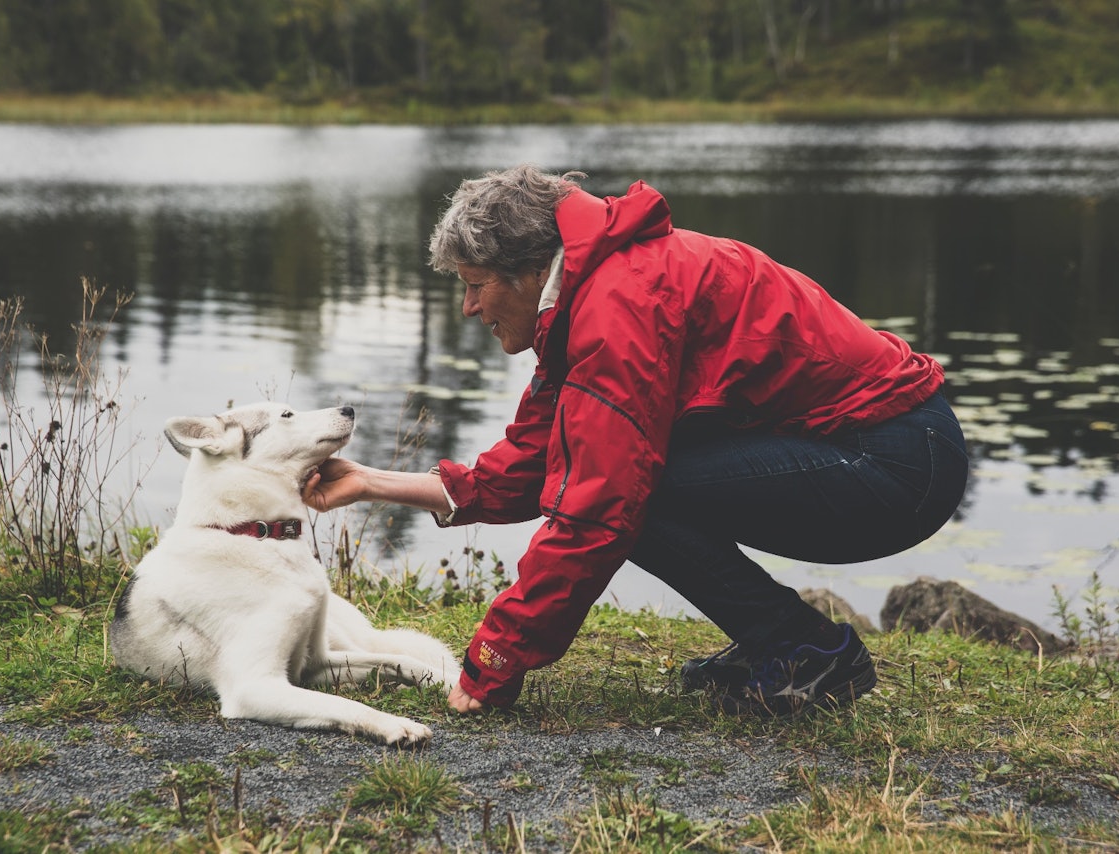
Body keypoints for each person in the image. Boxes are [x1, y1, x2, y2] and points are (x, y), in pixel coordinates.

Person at [303, 165, 968, 718]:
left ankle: (804, 653)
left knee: (632, 493)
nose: (469, 309)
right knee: (628, 479)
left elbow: (598, 507)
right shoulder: (587, 298)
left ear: (530, 270)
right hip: (886, 451)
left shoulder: (619, 305)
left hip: (896, 461)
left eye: (476, 287)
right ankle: (783, 643)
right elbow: (526, 469)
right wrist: (369, 481)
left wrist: (491, 662)